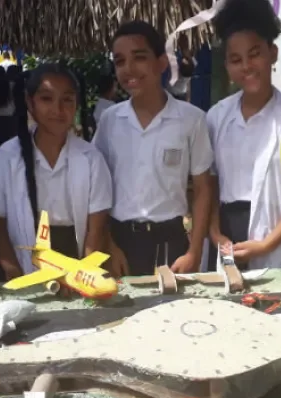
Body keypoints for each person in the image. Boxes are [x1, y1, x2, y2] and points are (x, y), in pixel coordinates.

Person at [93, 20, 213, 278]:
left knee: (171, 313)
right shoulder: (110, 121)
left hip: (172, 241)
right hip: (121, 241)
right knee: (125, 315)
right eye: (120, 61)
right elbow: (97, 190)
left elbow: (203, 188)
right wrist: (108, 245)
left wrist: (194, 251)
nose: (128, 69)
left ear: (161, 63)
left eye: (139, 57)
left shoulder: (191, 119)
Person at [207, 0, 281, 270]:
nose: (246, 66)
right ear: (227, 66)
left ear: (272, 53)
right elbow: (208, 183)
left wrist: (268, 243)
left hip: (276, 238)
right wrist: (214, 233)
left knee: (274, 306)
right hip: (225, 235)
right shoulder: (216, 117)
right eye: (236, 60)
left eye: (254, 53)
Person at [0, 64, 112, 279]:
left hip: (75, 256)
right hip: (24, 258)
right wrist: (13, 270)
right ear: (30, 103)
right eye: (47, 99)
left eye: (67, 100)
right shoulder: (5, 158)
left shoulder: (91, 158)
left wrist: (84, 274)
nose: (58, 110)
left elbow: (94, 231)